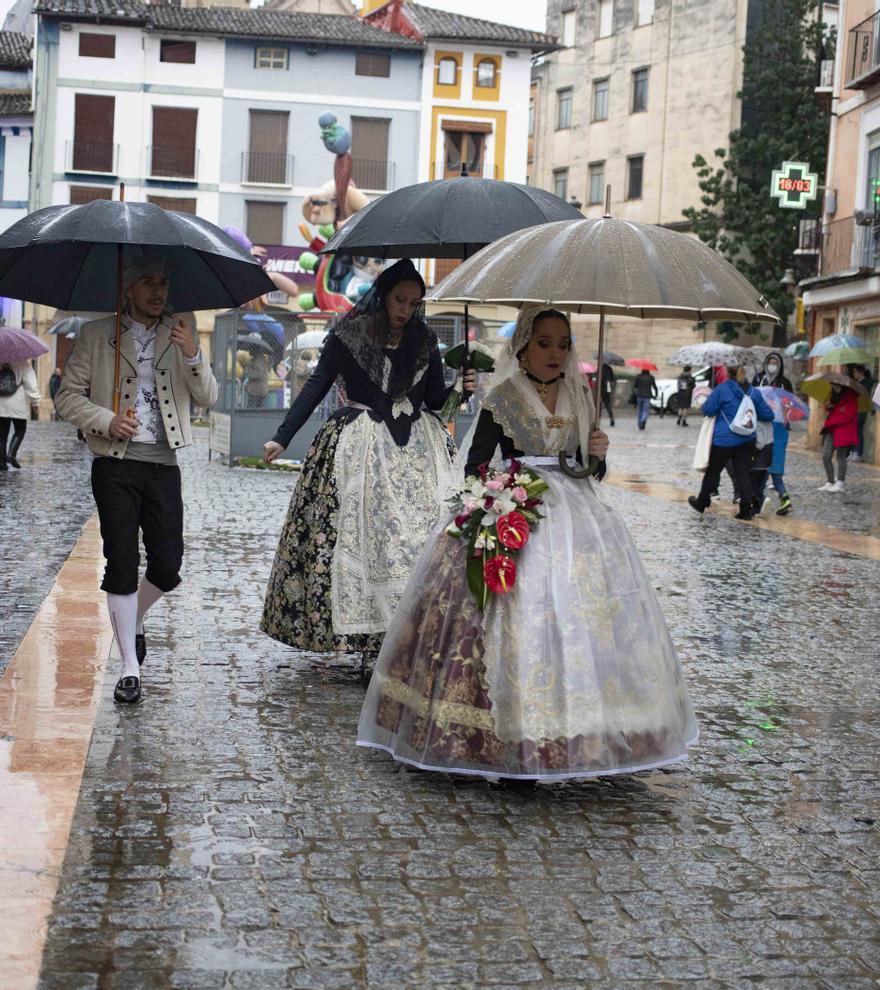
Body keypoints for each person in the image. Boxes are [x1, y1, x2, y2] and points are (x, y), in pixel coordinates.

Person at [356, 307, 698, 781]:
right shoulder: (504, 397)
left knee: (588, 616)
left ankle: (595, 731)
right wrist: (500, 497)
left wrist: (596, 457)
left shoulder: (581, 396)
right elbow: (478, 465)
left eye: (563, 343)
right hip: (517, 508)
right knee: (512, 611)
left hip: (578, 515)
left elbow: (585, 471)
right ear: (522, 347)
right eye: (544, 343)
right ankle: (505, 735)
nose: (555, 353)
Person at [260, 259, 476, 662]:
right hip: (359, 447)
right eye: (400, 299)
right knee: (366, 536)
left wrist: (459, 391)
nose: (406, 309)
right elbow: (316, 386)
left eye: (414, 303)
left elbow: (433, 403)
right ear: (384, 294)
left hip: (417, 453)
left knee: (418, 540)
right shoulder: (349, 335)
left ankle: (406, 637)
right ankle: (369, 642)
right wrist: (281, 437)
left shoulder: (424, 341)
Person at [55, 256, 219, 705]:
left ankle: (135, 617)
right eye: (148, 283)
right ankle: (130, 667)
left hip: (164, 464)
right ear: (128, 289)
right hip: (115, 464)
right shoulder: (96, 335)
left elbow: (208, 397)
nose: (158, 292)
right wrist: (107, 420)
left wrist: (193, 354)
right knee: (122, 562)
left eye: (163, 283)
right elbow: (66, 397)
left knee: (167, 565)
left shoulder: (180, 333)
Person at [687, 364, 774, 521]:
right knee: (742, 474)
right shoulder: (753, 392)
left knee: (713, 472)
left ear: (727, 372)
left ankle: (702, 502)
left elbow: (708, 410)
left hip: (723, 440)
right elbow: (768, 415)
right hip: (746, 440)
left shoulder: (722, 389)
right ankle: (746, 511)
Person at [0, 360, 41, 471]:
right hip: (18, 404)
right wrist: (35, 402)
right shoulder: (24, 364)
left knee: (2, 436)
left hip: (1, 404)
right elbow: (31, 385)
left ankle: (2, 463)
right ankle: (11, 454)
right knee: (20, 430)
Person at [818, 383, 858, 493]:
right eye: (833, 386)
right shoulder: (834, 396)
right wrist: (829, 407)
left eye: (837, 386)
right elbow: (836, 412)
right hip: (831, 430)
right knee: (826, 456)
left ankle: (840, 482)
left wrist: (829, 423)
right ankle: (830, 481)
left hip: (843, 431)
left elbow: (847, 415)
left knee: (841, 457)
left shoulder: (850, 397)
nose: (834, 388)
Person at [848, 364, 874, 461]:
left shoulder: (869, 382)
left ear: (861, 372)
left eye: (855, 372)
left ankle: (858, 452)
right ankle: (852, 451)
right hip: (853, 409)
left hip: (862, 409)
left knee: (858, 430)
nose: (854, 374)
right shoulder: (856, 383)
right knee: (852, 431)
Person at [600, 361, 616, 426]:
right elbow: (613, 378)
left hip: (601, 389)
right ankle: (611, 417)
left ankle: (597, 420)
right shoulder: (610, 369)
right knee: (607, 405)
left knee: (598, 405)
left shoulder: (601, 369)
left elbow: (600, 380)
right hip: (608, 390)